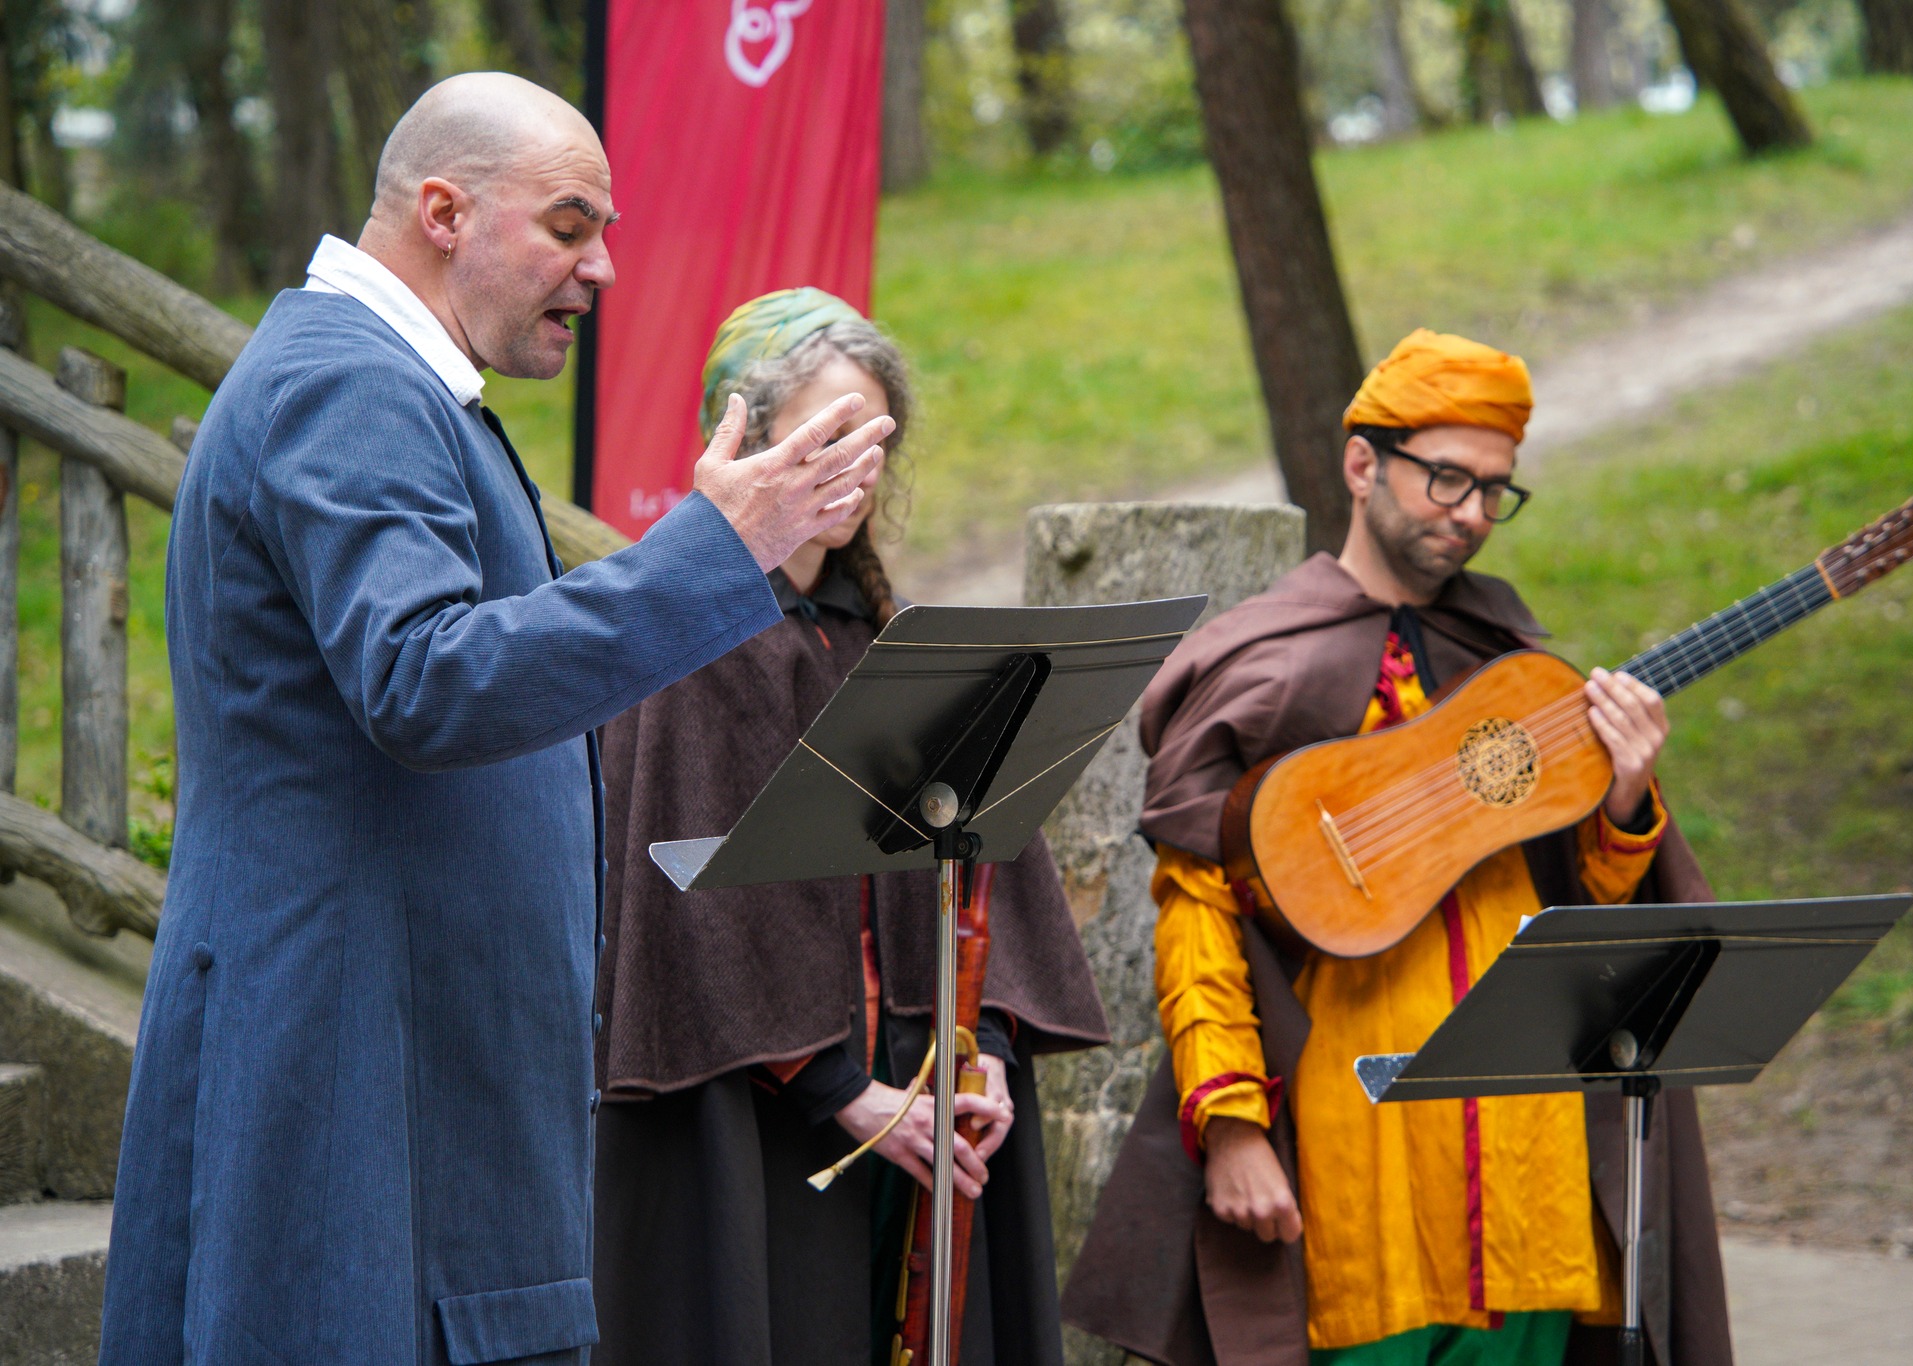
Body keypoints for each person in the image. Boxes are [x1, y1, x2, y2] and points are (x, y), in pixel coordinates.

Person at [102, 77, 890, 1366]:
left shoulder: (393, 384)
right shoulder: (346, 385)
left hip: (411, 1050)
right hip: (348, 1058)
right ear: (443, 212)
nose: (604, 268)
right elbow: (424, 675)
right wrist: (717, 548)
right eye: (569, 226)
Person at [1063, 331, 1734, 1366]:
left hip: (1531, 1154)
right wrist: (1232, 1128)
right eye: (1447, 478)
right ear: (1360, 465)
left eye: (1495, 490)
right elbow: (1199, 914)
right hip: (1361, 1152)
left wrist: (1626, 799)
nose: (1470, 512)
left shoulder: (1509, 663)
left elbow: (1583, 907)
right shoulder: (1257, 665)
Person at [588, 289, 1110, 1366]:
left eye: (876, 442)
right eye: (829, 436)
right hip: (758, 1130)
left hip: (925, 1112)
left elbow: (985, 878)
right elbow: (681, 917)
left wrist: (987, 1052)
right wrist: (844, 1094)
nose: (857, 468)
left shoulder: (895, 642)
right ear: (744, 441)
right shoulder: (679, 638)